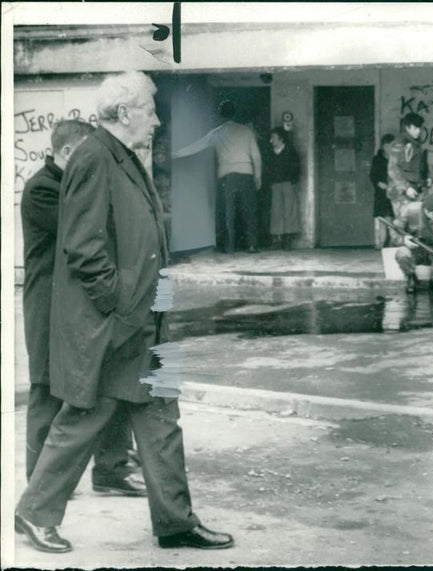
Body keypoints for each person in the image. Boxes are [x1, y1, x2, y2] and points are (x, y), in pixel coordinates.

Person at [15, 71, 233, 554]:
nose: (156, 121)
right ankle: (34, 514)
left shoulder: (125, 155)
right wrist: (118, 304)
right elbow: (83, 247)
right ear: (123, 113)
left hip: (147, 315)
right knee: (85, 416)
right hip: (119, 321)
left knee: (161, 418)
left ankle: (176, 521)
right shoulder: (94, 155)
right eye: (150, 111)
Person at [20, 119, 143, 495]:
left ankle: (111, 470)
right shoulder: (41, 189)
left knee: (108, 383)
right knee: (47, 388)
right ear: (70, 153)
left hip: (81, 305)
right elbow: (89, 234)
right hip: (47, 306)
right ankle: (41, 484)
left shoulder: (75, 184)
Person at [173, 99, 261, 253]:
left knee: (228, 213)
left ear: (220, 115)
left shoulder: (215, 133)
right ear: (235, 112)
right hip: (246, 174)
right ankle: (252, 245)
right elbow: (256, 156)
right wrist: (258, 176)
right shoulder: (247, 132)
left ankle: (229, 247)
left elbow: (195, 147)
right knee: (249, 212)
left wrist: (175, 154)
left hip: (227, 177)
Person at [387, 112, 429, 218]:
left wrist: (427, 178)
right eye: (415, 128)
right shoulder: (400, 144)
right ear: (407, 127)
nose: (418, 131)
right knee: (405, 225)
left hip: (415, 190)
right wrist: (406, 187)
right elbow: (393, 168)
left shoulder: (416, 144)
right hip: (402, 193)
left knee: (416, 225)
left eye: (420, 128)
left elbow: (419, 165)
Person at [266, 127, 301, 250]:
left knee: (289, 211)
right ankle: (277, 239)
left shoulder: (291, 151)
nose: (271, 141)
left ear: (281, 138)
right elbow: (268, 169)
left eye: (273, 138)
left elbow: (297, 167)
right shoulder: (270, 153)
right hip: (275, 184)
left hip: (287, 184)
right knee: (276, 211)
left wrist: (293, 181)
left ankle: (288, 240)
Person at [370, 133, 395, 249]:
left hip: (395, 191)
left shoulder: (397, 159)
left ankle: (392, 240)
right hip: (383, 192)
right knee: (385, 217)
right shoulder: (377, 159)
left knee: (394, 217)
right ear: (383, 146)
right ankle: (385, 240)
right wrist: (380, 184)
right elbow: (373, 176)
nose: (389, 148)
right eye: (387, 145)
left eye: (392, 145)